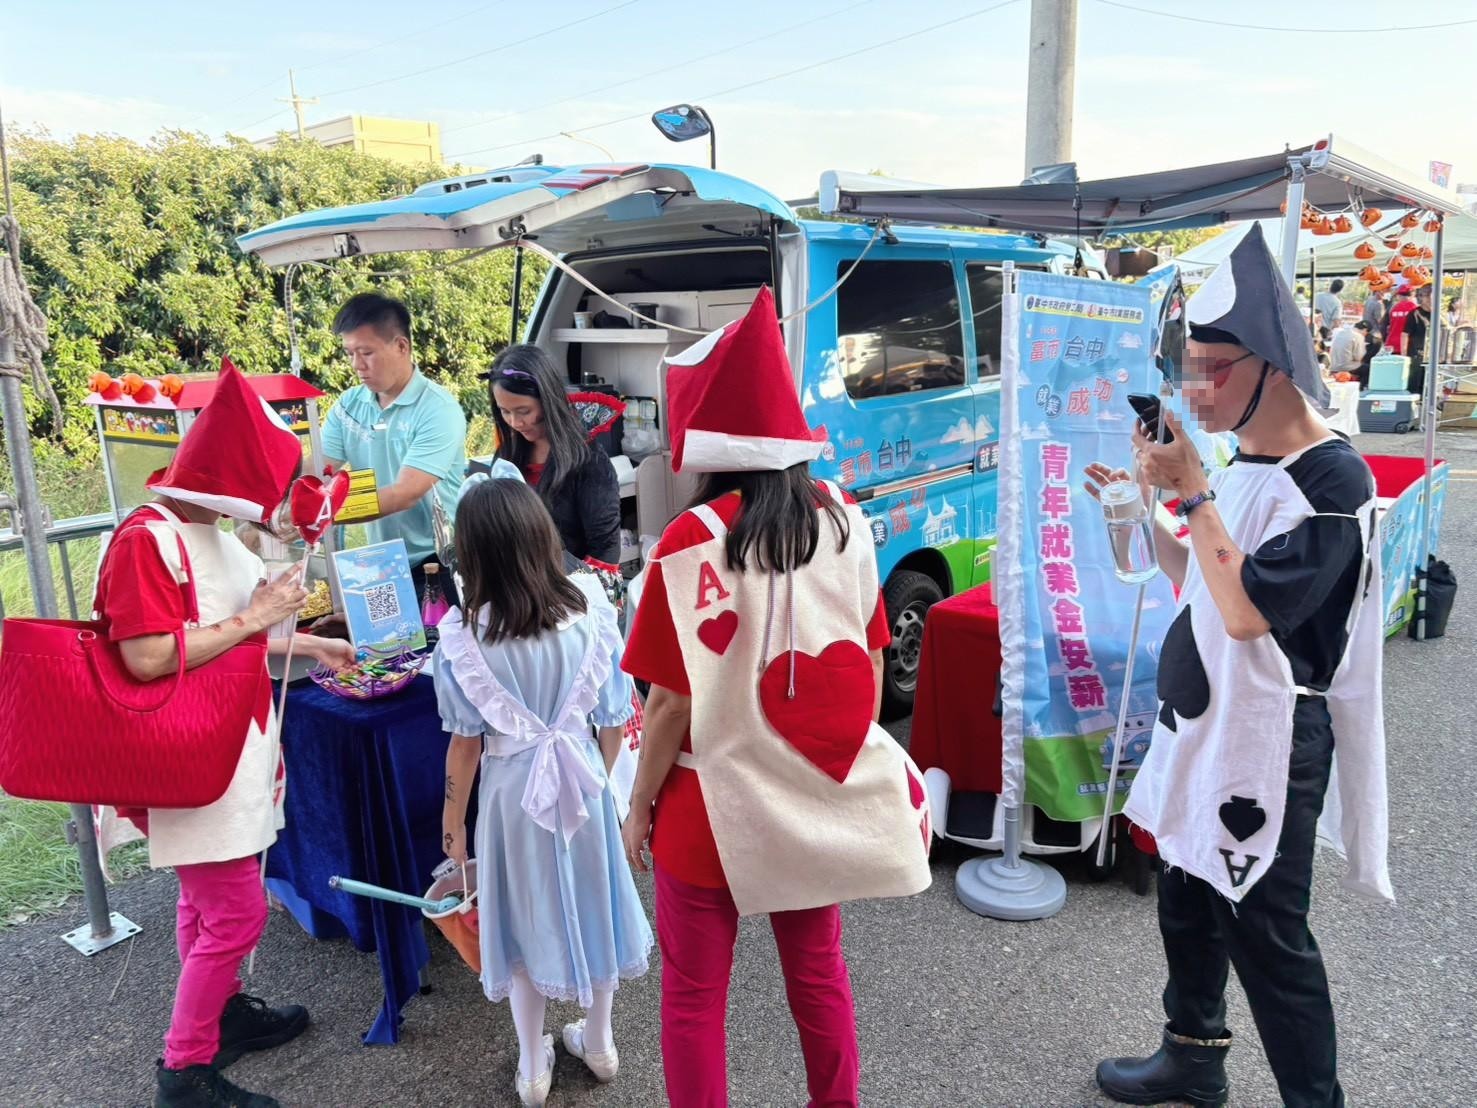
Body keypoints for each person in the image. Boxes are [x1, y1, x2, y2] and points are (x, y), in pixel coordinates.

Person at [1089, 224, 1390, 1108]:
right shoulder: (1243, 464)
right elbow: (1199, 581)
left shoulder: (1332, 482)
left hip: (1267, 737)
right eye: (1185, 371)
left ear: (1276, 366)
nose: (1192, 392)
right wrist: (1138, 510)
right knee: (1184, 892)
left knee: (1265, 931)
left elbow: (1249, 612)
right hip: (1201, 720)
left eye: (1209, 371)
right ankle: (1192, 1054)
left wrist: (1191, 493)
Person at [620, 288, 932, 1108]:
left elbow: (667, 705)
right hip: (808, 785)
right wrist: (834, 757)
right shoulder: (844, 520)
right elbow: (867, 658)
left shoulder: (691, 539)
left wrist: (638, 805)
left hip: (707, 801)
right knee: (817, 971)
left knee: (694, 996)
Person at [93, 361, 355, 1108]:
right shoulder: (147, 541)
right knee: (236, 912)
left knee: (204, 906)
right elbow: (147, 657)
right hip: (186, 758)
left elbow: (232, 640)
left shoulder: (205, 535)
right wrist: (258, 616)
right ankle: (183, 1071)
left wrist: (312, 645)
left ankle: (221, 1014)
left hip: (231, 749)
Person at [436, 474, 650, 1108]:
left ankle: (533, 1066)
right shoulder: (591, 611)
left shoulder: (465, 637)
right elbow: (612, 718)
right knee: (596, 903)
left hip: (510, 797)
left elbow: (465, 745)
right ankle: (601, 1044)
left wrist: (452, 823)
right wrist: (596, 780)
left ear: (473, 552)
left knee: (520, 921)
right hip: (583, 781)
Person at [322, 292, 466, 600]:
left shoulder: (438, 409)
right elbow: (320, 467)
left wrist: (324, 513)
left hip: (439, 561)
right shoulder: (349, 405)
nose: (357, 365)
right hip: (381, 562)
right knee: (377, 632)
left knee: (436, 632)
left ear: (402, 346)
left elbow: (405, 493)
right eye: (350, 353)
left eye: (366, 353)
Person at [486, 343, 622, 565]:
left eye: (524, 411)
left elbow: (605, 548)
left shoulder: (588, 461)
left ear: (548, 400)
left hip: (574, 582)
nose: (515, 422)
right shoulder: (506, 455)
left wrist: (570, 585)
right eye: (505, 411)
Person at [1402, 284, 1433, 399]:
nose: (1430, 301)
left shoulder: (1439, 315)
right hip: (1417, 353)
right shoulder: (1414, 314)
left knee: (1429, 384)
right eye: (1428, 298)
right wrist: (1404, 355)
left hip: (1433, 354)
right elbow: (1405, 334)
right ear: (1423, 298)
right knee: (1415, 382)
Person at [1384, 283, 1417, 358]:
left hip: (1391, 344)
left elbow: (1386, 325)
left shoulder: (1393, 308)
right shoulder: (1414, 309)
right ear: (1413, 295)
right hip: (1407, 345)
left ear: (1399, 295)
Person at [1354, 320, 1381, 389]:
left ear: (1365, 330)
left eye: (1359, 329)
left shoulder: (1373, 341)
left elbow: (1368, 356)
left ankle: (1361, 387)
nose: (1356, 330)